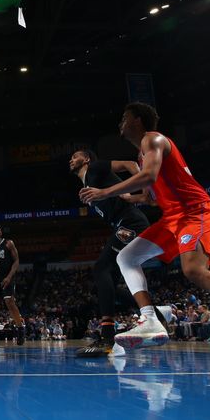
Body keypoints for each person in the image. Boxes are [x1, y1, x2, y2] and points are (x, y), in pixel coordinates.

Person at [79, 102, 210, 360]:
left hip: (194, 211)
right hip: (173, 218)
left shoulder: (153, 139)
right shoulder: (141, 155)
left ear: (138, 121)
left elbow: (148, 177)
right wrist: (127, 199)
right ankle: (150, 321)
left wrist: (105, 192)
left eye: (125, 117)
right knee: (126, 257)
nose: (120, 122)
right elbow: (150, 196)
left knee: (193, 270)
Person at [69, 149, 151, 357]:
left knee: (101, 268)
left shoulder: (95, 168)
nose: (71, 159)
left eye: (75, 155)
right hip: (122, 225)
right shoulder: (87, 185)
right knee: (112, 282)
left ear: (86, 159)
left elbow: (130, 164)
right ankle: (156, 315)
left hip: (131, 222)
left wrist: (142, 194)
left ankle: (107, 336)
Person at [0, 226, 26, 347]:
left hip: (7, 278)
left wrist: (9, 277)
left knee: (9, 302)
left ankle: (20, 329)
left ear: (1, 232)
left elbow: (16, 261)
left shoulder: (8, 243)